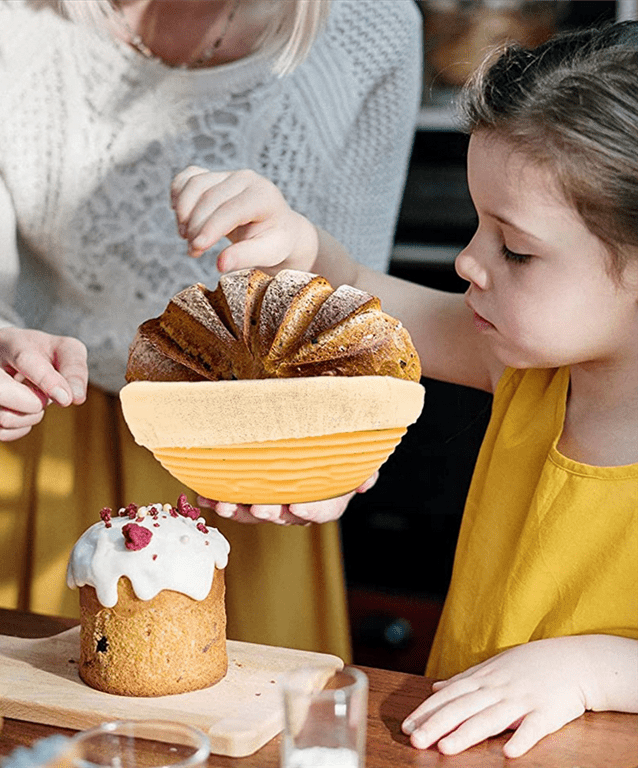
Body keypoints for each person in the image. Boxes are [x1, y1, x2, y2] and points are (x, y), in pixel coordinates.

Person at [0, 0, 422, 661]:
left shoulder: (370, 25)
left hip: (247, 461)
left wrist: (337, 447)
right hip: (30, 436)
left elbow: (351, 319)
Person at [170, 22, 638, 757]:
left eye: (515, 249)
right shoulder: (524, 366)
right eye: (479, 227)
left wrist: (593, 671)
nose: (468, 260)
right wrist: (298, 244)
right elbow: (357, 295)